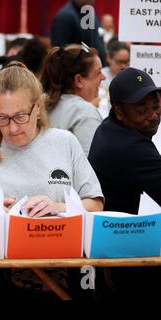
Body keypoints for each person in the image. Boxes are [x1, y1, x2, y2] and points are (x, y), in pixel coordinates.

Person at [0, 62, 104, 299]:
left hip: (63, 265)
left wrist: (59, 208)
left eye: (20, 116)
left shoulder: (64, 143)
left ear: (38, 106)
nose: (11, 128)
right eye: (1, 118)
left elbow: (95, 204)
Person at [88, 67, 161, 299]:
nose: (153, 115)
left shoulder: (109, 129)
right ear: (119, 111)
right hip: (115, 256)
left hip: (110, 240)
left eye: (156, 107)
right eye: (141, 110)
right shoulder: (130, 147)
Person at [40, 44, 105, 155]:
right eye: (98, 72)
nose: (103, 77)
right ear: (79, 80)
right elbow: (92, 165)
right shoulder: (84, 112)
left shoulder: (42, 106)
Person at [51, 0, 106, 66]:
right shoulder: (64, 17)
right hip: (79, 73)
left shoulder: (88, 11)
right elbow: (60, 55)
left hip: (95, 70)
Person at [98, 41, 130, 118]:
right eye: (120, 62)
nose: (123, 66)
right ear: (109, 58)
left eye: (126, 62)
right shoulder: (100, 75)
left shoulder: (130, 77)